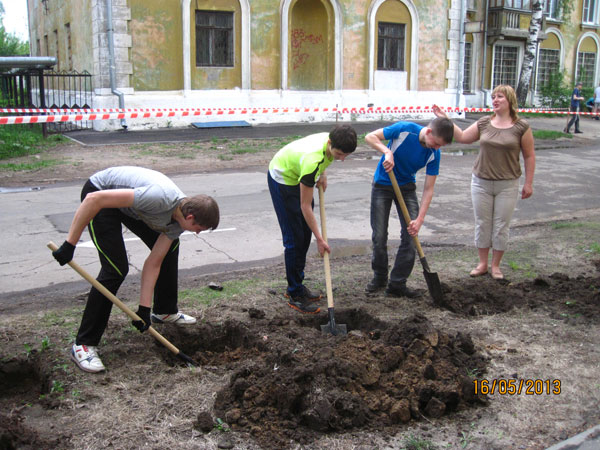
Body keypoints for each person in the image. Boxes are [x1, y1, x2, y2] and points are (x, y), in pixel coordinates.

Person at [51, 166, 220, 373]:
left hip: (130, 206)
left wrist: (144, 310)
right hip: (100, 193)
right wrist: (70, 245)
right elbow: (94, 200)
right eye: (199, 229)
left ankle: (163, 311)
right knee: (115, 269)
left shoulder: (177, 223)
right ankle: (83, 344)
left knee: (170, 248)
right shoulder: (159, 199)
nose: (197, 234)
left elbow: (153, 263)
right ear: (191, 218)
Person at [435, 85, 535, 280]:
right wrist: (447, 119)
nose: (495, 100)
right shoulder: (484, 123)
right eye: (493, 97)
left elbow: (529, 156)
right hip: (480, 182)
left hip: (507, 184)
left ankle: (496, 266)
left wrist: (528, 183)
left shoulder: (521, 126)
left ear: (510, 101)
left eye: (500, 97)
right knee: (482, 224)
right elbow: (463, 137)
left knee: (501, 225)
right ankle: (482, 264)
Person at [268, 125, 357, 314]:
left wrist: (323, 174)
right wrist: (320, 239)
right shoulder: (311, 162)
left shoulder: (331, 143)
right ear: (330, 143)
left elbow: (324, 161)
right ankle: (294, 293)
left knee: (304, 236)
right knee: (294, 239)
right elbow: (305, 206)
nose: (341, 159)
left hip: (298, 172)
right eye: (339, 154)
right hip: (282, 178)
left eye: (345, 156)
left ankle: (297, 285)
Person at [364, 114, 454, 297]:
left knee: (411, 236)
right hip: (383, 183)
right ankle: (380, 277)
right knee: (379, 235)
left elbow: (429, 189)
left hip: (406, 188)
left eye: (440, 146)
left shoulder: (434, 154)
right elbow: (370, 137)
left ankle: (397, 283)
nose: (437, 149)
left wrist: (420, 219)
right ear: (428, 132)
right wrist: (387, 152)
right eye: (436, 143)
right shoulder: (405, 129)